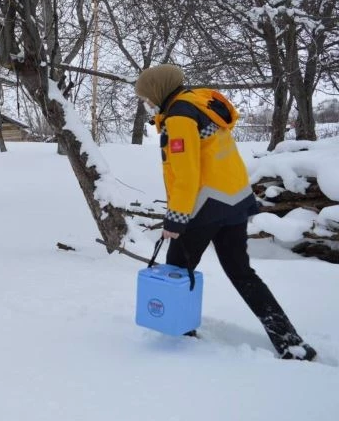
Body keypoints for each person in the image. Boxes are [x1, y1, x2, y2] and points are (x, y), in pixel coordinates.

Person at [135, 64, 316, 361]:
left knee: (177, 270)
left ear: (158, 90)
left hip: (204, 206)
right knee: (242, 273)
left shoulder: (179, 116)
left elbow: (187, 172)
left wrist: (176, 218)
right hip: (235, 201)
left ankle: (178, 332)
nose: (147, 103)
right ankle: (290, 343)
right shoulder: (200, 103)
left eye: (146, 97)